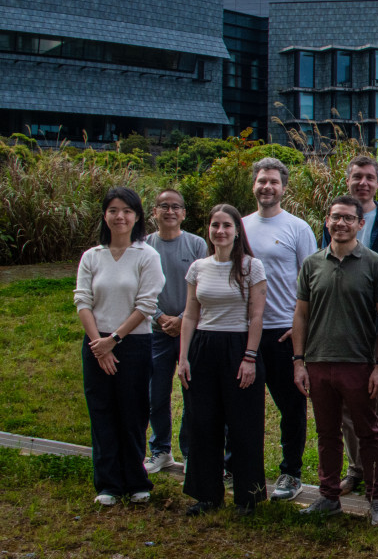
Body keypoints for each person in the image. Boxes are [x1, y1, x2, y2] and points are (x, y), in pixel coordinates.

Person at [291, 196, 378, 526]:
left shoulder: (375, 264)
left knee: (369, 432)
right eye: (336, 217)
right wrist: (298, 361)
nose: (342, 223)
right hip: (319, 361)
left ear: (360, 224)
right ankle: (328, 496)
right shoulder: (312, 264)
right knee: (327, 433)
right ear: (326, 220)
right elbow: (302, 314)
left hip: (359, 362)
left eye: (349, 218)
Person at [322, 156, 378, 496]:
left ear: (377, 183)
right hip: (343, 323)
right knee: (346, 406)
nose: (363, 182)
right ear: (348, 181)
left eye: (369, 177)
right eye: (357, 176)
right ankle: (358, 468)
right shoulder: (335, 219)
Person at [74, 187, 164, 506]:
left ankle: (136, 480)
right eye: (113, 210)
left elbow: (146, 304)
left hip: (133, 344)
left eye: (127, 210)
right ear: (105, 216)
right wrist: (98, 343)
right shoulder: (92, 257)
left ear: (136, 216)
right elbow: (83, 300)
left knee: (133, 412)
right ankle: (108, 484)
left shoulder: (146, 256)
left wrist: (114, 340)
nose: (120, 216)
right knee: (102, 412)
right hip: (96, 343)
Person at [176, 203, 266, 515]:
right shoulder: (198, 268)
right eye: (215, 225)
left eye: (227, 225)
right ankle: (207, 495)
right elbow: (190, 315)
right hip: (203, 348)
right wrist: (183, 357)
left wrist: (250, 358)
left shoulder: (251, 267)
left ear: (237, 231)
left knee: (244, 425)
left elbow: (257, 316)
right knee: (202, 424)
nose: (220, 231)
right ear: (209, 230)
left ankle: (247, 496)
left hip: (239, 348)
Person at [242, 156, 317, 502]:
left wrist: (300, 327)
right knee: (244, 404)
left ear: (284, 188)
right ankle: (241, 467)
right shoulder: (239, 226)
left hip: (284, 333)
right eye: (262, 181)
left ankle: (291, 472)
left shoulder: (298, 228)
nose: (267, 187)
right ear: (254, 185)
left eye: (273, 181)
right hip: (244, 334)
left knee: (291, 408)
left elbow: (312, 281)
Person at [143, 188, 207, 474]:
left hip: (191, 330)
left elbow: (206, 286)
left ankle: (191, 453)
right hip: (155, 331)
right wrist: (159, 318)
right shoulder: (143, 246)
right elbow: (138, 290)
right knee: (156, 393)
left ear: (184, 213)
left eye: (176, 207)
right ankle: (160, 450)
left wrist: (183, 318)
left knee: (192, 394)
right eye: (163, 206)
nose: (169, 212)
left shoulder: (196, 245)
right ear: (154, 212)